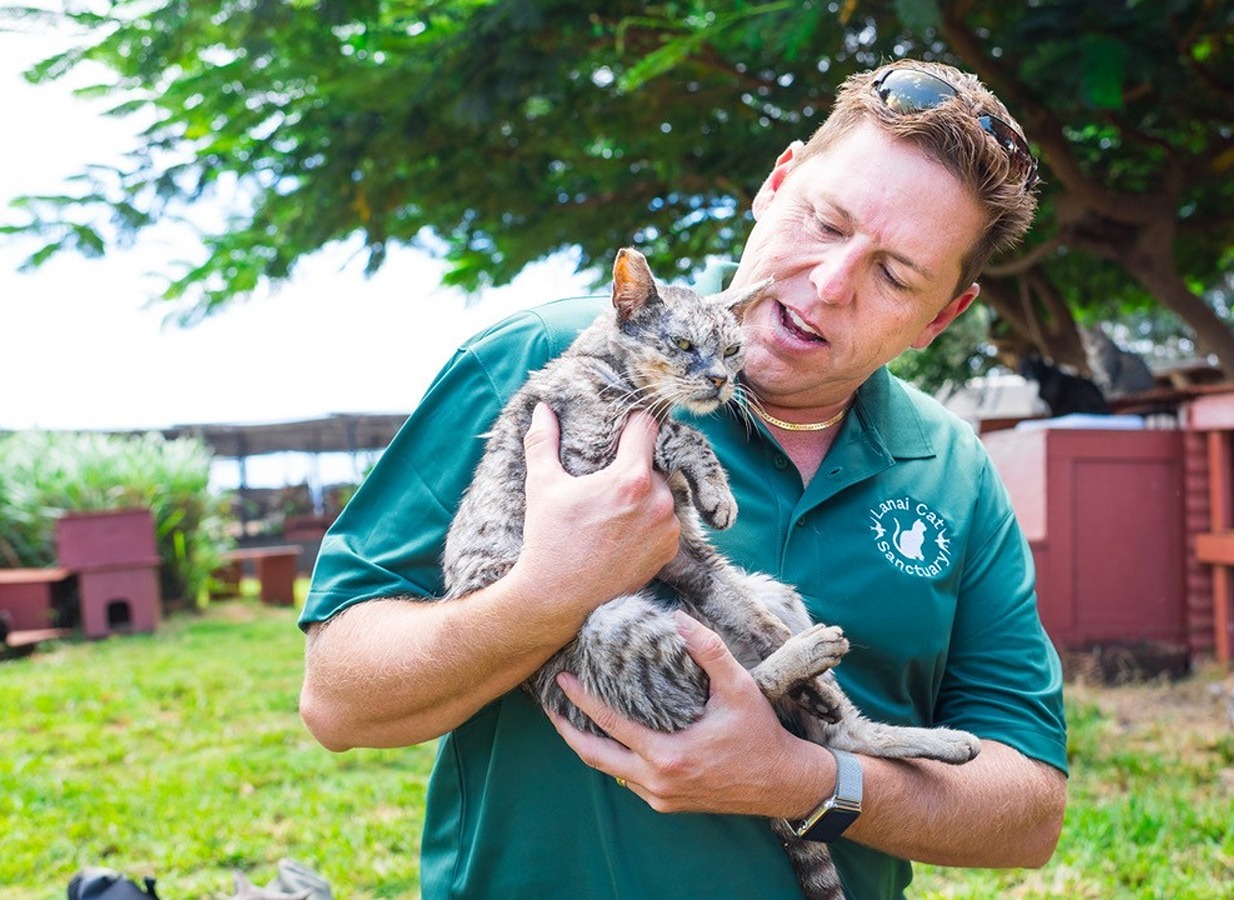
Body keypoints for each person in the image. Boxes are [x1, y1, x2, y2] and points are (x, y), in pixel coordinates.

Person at [298, 59, 1068, 899]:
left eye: (895, 275)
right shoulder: (537, 362)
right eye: (823, 221)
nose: (831, 282)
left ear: (941, 318)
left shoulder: (952, 468)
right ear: (775, 186)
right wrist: (547, 593)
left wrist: (802, 780)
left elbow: (1028, 812)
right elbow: (339, 700)